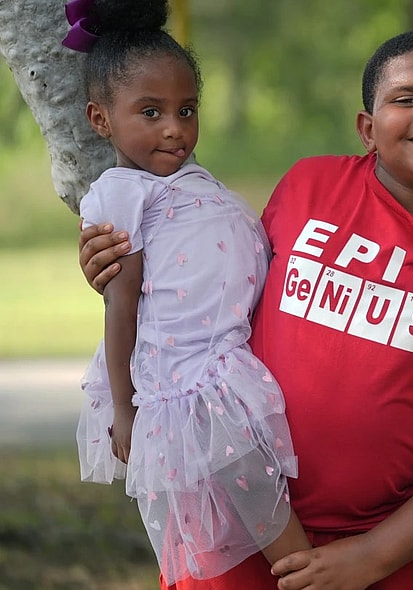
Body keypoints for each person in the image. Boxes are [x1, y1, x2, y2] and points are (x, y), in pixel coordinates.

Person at [77, 26, 413, 590]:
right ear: (367, 129)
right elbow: (216, 285)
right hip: (233, 523)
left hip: (390, 548)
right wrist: (115, 269)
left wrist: (372, 556)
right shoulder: (310, 186)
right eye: (406, 99)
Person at [64, 0, 312, 583]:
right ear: (101, 119)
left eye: (187, 109)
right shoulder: (119, 193)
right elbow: (121, 304)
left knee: (260, 496)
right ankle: (309, 576)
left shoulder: (185, 180)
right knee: (261, 509)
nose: (174, 127)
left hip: (223, 362)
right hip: (187, 377)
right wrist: (125, 406)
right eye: (150, 112)